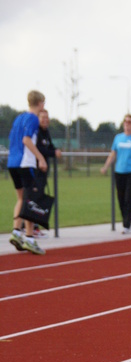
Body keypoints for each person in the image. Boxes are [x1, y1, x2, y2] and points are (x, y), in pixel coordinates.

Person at [8, 90, 48, 255]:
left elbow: (13, 138)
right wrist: (40, 158)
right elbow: (26, 140)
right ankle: (30, 238)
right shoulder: (32, 118)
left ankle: (17, 232)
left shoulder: (19, 118)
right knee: (30, 200)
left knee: (21, 198)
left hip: (13, 162)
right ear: (40, 103)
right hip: (25, 163)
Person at [100, 114, 131, 233]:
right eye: (125, 121)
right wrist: (105, 167)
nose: (127, 124)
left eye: (130, 122)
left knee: (128, 198)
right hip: (119, 171)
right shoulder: (118, 138)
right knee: (120, 198)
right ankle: (128, 217)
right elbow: (113, 154)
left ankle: (127, 225)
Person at [33, 108, 62, 238]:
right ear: (38, 119)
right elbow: (39, 149)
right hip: (35, 170)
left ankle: (33, 226)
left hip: (44, 171)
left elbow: (49, 146)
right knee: (33, 198)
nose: (45, 120)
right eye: (42, 118)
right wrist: (52, 153)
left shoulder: (46, 132)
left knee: (39, 197)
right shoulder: (36, 132)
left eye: (47, 118)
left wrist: (56, 150)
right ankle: (31, 227)